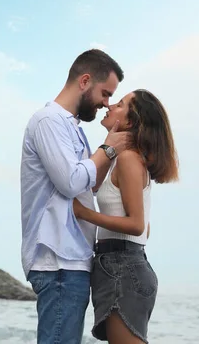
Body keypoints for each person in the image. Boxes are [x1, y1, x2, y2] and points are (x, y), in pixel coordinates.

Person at [20, 49, 132, 344]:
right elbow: (70, 182)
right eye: (105, 93)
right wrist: (106, 149)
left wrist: (112, 151)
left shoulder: (73, 129)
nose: (106, 103)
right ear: (85, 81)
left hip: (71, 260)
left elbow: (87, 187)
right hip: (57, 260)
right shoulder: (49, 121)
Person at [73, 89, 179, 344]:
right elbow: (146, 228)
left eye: (119, 104)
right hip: (120, 264)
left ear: (130, 121)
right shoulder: (121, 158)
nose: (109, 106)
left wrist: (85, 213)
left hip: (123, 267)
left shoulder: (129, 159)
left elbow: (136, 224)